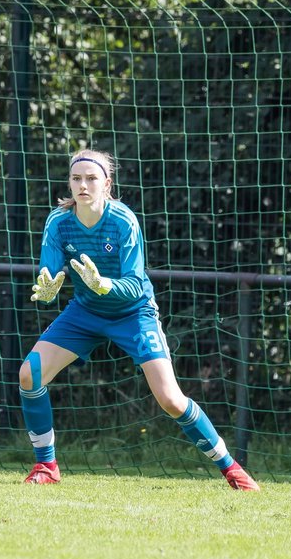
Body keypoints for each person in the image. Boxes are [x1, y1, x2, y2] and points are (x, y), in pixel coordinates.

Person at [19, 148, 259, 490]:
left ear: (107, 183)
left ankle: (232, 469)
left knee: (170, 399)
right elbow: (50, 268)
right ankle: (46, 466)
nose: (83, 185)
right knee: (30, 374)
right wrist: (47, 286)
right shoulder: (58, 221)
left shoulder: (123, 220)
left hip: (134, 313)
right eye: (76, 178)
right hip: (84, 312)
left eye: (91, 178)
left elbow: (134, 285)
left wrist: (104, 284)